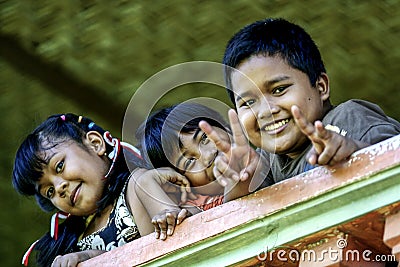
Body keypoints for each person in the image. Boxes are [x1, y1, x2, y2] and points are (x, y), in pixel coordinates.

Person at [200, 18, 400, 189]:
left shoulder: (348, 118)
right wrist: (237, 180)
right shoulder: (264, 161)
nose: (265, 111)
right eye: (248, 102)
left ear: (321, 87)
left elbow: (393, 156)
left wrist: (356, 152)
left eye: (279, 90)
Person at [13, 113, 190, 267]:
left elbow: (184, 238)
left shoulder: (140, 185)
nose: (59, 188)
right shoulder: (75, 246)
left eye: (59, 166)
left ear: (95, 143)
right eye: (49, 191)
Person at [134, 102, 258, 230]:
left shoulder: (266, 158)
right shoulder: (193, 209)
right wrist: (145, 182)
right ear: (179, 181)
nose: (208, 156)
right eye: (189, 162)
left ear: (225, 127)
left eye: (204, 137)